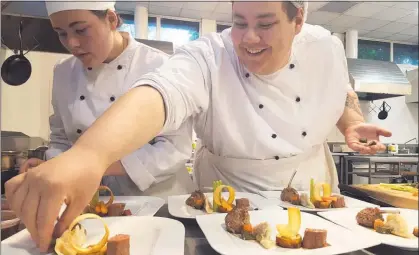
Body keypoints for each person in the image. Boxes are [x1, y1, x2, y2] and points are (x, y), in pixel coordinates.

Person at [6, 1, 392, 251]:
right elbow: (162, 92)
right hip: (230, 195)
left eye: (266, 23)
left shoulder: (325, 46)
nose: (249, 38)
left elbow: (338, 90)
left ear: (299, 20)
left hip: (311, 191)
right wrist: (88, 155)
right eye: (239, 22)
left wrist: (352, 122)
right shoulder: (209, 54)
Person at [18, 1, 195, 199]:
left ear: (111, 19)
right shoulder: (63, 72)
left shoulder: (159, 64)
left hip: (160, 201)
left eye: (81, 30)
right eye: (61, 33)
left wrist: (90, 166)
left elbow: (174, 149)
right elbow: (61, 138)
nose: (72, 43)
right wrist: (53, 167)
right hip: (94, 201)